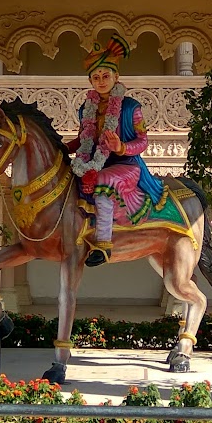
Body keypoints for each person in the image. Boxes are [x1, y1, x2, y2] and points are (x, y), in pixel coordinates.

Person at [68, 34, 165, 267]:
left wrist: (120, 147)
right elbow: (84, 139)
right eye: (96, 77)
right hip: (94, 162)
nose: (101, 81)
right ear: (91, 81)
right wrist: (62, 147)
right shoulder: (86, 108)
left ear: (116, 77)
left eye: (105, 75)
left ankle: (103, 246)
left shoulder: (131, 107)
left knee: (99, 179)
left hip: (127, 165)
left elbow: (143, 142)